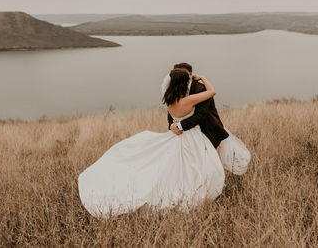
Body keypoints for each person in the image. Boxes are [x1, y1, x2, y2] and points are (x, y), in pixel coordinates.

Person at [78, 69, 226, 218]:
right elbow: (212, 91)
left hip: (176, 135)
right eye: (187, 81)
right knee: (195, 165)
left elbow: (175, 118)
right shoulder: (188, 100)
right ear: (183, 83)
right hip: (191, 137)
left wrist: (176, 125)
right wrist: (203, 78)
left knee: (176, 167)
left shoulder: (169, 100)